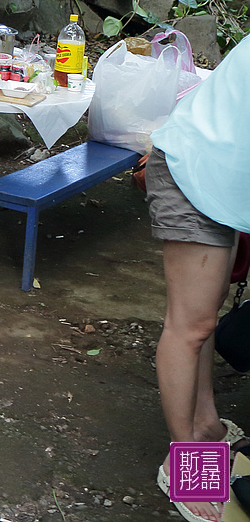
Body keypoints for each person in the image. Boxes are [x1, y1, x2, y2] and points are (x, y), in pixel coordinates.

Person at [149, 36, 250, 522]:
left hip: (226, 176)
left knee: (204, 319)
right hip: (196, 172)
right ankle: (187, 466)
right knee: (190, 325)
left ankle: (206, 423)